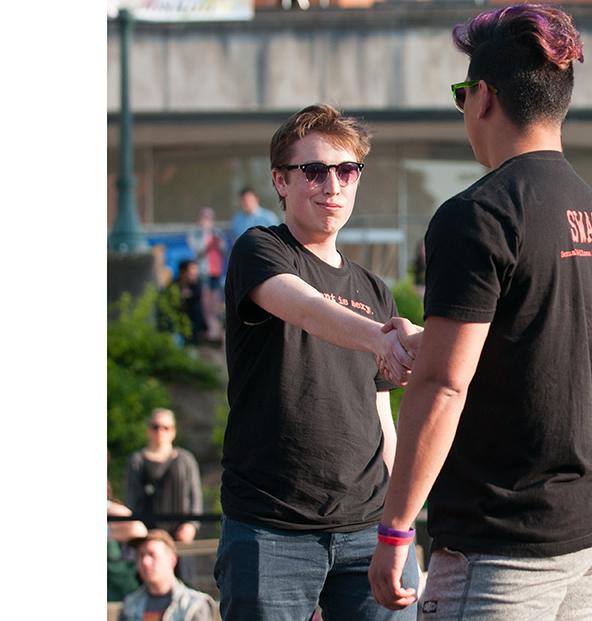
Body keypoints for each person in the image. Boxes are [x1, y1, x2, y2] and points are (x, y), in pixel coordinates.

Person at [366, 7, 592, 618]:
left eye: (460, 94)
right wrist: (430, 337)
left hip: (510, 537)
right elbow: (546, 344)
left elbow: (445, 386)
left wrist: (395, 530)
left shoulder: (478, 213)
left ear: (484, 97)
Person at [217, 103, 420, 620]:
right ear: (280, 182)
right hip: (271, 527)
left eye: (346, 170)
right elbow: (305, 307)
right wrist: (382, 337)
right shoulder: (259, 249)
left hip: (369, 527)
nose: (332, 184)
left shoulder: (374, 288)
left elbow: (383, 420)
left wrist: (402, 523)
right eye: (314, 170)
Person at [124, 408, 202, 543]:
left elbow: (195, 497)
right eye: (155, 427)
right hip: (147, 538)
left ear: (173, 431)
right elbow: (132, 499)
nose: (160, 432)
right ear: (148, 429)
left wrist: (191, 525)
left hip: (180, 537)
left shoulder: (185, 459)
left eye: (166, 428)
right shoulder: (137, 461)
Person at [119, 530, 219, 621]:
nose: (145, 562)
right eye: (141, 555)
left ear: (172, 559)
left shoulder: (195, 604)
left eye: (152, 554)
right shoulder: (130, 604)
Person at [186, 206, 227, 342]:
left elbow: (224, 250)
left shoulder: (217, 232)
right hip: (203, 271)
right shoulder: (195, 233)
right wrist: (209, 243)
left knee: (216, 301)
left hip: (216, 270)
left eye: (209, 218)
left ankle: (215, 330)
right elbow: (196, 251)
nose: (207, 221)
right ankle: (207, 328)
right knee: (204, 300)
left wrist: (218, 243)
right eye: (204, 217)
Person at [171, 259, 207, 345]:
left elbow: (196, 296)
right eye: (191, 270)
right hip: (179, 323)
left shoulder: (195, 285)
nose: (194, 273)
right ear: (183, 272)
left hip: (193, 324)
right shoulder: (175, 285)